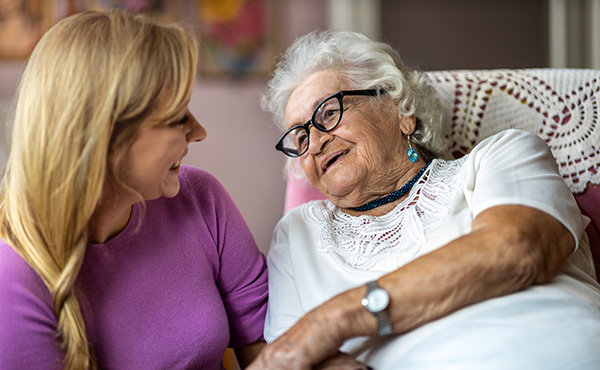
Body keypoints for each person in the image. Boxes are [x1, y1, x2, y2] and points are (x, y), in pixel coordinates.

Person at [248, 30, 600, 370]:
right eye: (300, 135)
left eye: (328, 112)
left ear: (400, 110)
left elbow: (516, 250)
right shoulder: (297, 234)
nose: (316, 141)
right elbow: (291, 359)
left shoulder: (499, 156)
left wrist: (331, 321)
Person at [0, 9, 267, 370]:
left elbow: (273, 352)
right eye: (177, 118)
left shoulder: (200, 197)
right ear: (106, 138)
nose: (199, 132)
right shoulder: (13, 275)